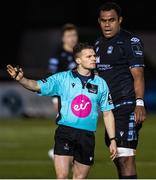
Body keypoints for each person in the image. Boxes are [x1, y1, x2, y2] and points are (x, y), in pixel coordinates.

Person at [7, 43, 117, 179]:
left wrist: (112, 140)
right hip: (65, 132)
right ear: (78, 60)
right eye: (89, 56)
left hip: (87, 136)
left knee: (80, 178)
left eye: (94, 55)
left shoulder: (101, 83)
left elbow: (107, 113)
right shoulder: (62, 78)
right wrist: (21, 79)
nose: (94, 58)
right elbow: (36, 85)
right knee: (62, 176)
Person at [95, 2, 146, 179]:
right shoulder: (98, 44)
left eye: (111, 20)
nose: (107, 24)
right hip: (109, 109)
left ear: (120, 20)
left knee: (126, 158)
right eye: (103, 20)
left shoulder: (130, 42)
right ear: (99, 22)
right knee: (117, 156)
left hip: (127, 106)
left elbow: (138, 74)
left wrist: (139, 103)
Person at [48, 23, 79, 159]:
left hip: (80, 95)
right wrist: (55, 98)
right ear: (63, 38)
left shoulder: (81, 53)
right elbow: (52, 78)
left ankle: (73, 151)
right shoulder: (58, 55)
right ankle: (61, 149)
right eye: (68, 36)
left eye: (74, 35)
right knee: (66, 124)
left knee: (79, 124)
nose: (72, 38)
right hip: (63, 96)